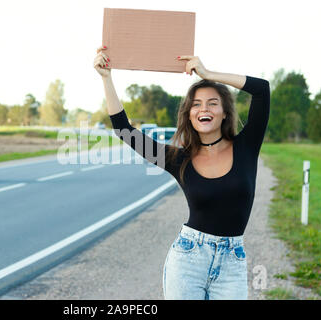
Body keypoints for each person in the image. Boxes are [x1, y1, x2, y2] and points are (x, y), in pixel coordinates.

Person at [93, 45, 270, 300]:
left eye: (212, 103)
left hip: (232, 262)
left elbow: (261, 89)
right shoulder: (178, 159)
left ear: (224, 113)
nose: (204, 109)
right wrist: (106, 78)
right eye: (196, 104)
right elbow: (124, 130)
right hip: (188, 260)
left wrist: (207, 73)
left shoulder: (246, 146)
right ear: (189, 115)